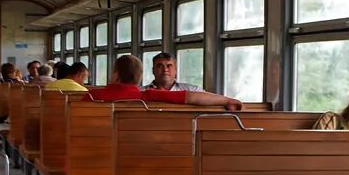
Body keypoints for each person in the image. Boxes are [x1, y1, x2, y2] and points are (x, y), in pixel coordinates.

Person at [90, 55, 240, 109]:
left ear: (116, 75)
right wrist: (228, 100)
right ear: (139, 77)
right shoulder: (147, 95)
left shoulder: (91, 96)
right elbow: (192, 97)